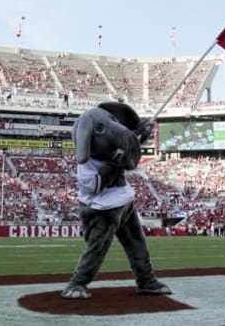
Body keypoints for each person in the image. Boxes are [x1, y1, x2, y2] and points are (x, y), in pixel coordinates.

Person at [61, 102, 171, 299]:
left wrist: (138, 135)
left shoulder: (113, 146)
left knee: (137, 243)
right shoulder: (86, 167)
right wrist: (115, 162)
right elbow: (95, 185)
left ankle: (146, 280)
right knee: (97, 248)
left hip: (124, 202)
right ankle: (77, 283)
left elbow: (129, 156)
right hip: (102, 208)